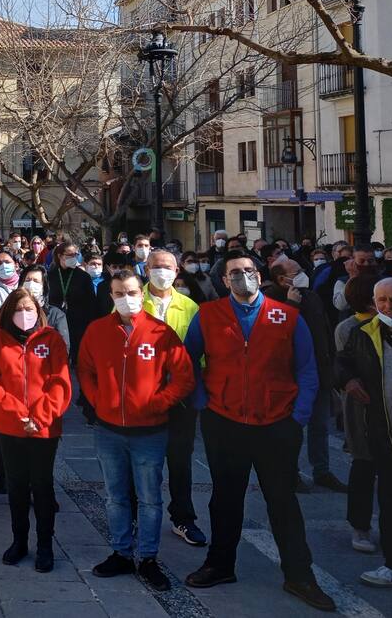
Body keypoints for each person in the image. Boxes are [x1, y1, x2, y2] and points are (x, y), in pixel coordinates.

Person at [182, 255, 334, 611]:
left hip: (277, 424)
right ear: (225, 280)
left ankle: (299, 575)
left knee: (283, 501)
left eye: (248, 271)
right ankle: (220, 565)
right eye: (235, 273)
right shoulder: (208, 315)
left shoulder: (287, 316)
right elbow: (188, 360)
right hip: (225, 421)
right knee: (225, 499)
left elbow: (307, 369)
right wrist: (202, 401)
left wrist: (298, 417)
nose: (243, 277)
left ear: (259, 275)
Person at [78, 269, 194, 592]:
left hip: (150, 431)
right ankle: (121, 553)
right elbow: (85, 369)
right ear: (111, 296)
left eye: (131, 292)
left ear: (141, 294)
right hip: (109, 430)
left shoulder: (160, 332)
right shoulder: (97, 330)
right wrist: (99, 400)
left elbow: (184, 376)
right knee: (115, 496)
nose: (125, 298)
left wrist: (159, 402)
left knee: (149, 498)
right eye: (119, 293)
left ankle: (148, 558)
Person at [0, 286, 71, 572]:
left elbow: (60, 382)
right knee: (17, 485)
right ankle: (19, 540)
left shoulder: (51, 339)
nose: (24, 314)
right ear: (9, 312)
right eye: (19, 309)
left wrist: (39, 417)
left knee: (42, 486)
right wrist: (20, 414)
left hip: (44, 427)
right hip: (11, 426)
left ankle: (45, 545)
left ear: (38, 311)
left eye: (29, 309)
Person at [338, 277, 392, 588]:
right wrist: (347, 379)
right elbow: (341, 363)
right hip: (386, 436)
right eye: (382, 300)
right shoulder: (362, 334)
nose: (389, 306)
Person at [141, 249, 205, 547]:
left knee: (180, 460)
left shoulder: (190, 307)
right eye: (156, 266)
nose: (162, 271)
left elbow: (200, 355)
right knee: (143, 462)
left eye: (167, 266)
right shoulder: (131, 301)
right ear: (146, 269)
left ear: (177, 271)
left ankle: (183, 517)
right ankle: (140, 516)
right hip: (143, 397)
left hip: (181, 397)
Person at [265, 259, 344, 493]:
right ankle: (290, 472)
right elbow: (274, 336)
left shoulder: (311, 296)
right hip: (289, 376)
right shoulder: (270, 300)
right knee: (292, 428)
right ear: (282, 279)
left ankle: (322, 471)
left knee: (320, 426)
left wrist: (330, 366)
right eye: (297, 272)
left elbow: (325, 330)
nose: (303, 274)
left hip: (318, 370)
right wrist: (291, 305)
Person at [334, 275, 380, 554]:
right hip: (360, 406)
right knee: (363, 466)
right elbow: (342, 365)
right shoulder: (348, 328)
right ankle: (360, 526)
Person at [47, 241, 96, 365]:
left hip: (78, 324)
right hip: (56, 323)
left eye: (75, 255)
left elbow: (91, 304)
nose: (73, 257)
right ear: (60, 256)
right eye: (70, 255)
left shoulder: (83, 277)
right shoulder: (50, 276)